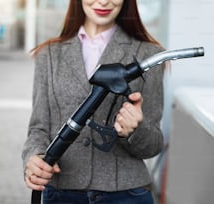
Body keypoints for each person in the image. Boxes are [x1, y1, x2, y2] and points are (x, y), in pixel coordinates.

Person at [22, 0, 165, 203]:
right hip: (61, 193)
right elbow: (38, 129)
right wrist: (33, 158)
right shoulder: (49, 55)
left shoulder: (149, 55)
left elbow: (153, 145)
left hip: (126, 195)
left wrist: (135, 129)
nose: (104, 1)